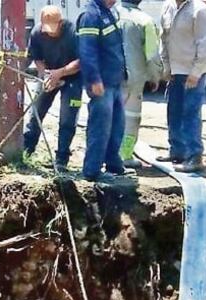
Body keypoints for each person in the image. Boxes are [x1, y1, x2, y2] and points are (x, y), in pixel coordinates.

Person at [22, 7, 82, 172]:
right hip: (49, 75)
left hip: (72, 78)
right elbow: (37, 57)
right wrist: (45, 74)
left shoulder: (72, 32)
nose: (49, 33)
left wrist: (60, 73)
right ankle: (26, 149)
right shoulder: (37, 33)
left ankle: (61, 159)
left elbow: (80, 61)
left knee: (67, 119)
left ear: (60, 23)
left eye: (53, 30)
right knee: (36, 113)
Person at [159, 0, 206, 173]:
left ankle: (194, 156)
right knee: (173, 110)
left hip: (193, 71)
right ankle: (177, 151)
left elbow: (205, 44)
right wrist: (166, 66)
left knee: (190, 112)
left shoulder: (200, 10)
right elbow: (164, 38)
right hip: (175, 70)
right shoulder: (168, 6)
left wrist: (196, 72)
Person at [77, 0, 128, 182]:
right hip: (102, 83)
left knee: (117, 126)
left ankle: (113, 163)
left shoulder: (107, 13)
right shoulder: (91, 16)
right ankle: (92, 170)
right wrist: (94, 79)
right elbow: (87, 51)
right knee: (100, 128)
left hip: (114, 82)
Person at [118, 0, 162, 169]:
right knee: (131, 118)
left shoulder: (110, 15)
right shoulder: (145, 21)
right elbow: (151, 54)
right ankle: (125, 156)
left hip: (110, 77)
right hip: (134, 78)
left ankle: (105, 155)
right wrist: (155, 76)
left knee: (109, 116)